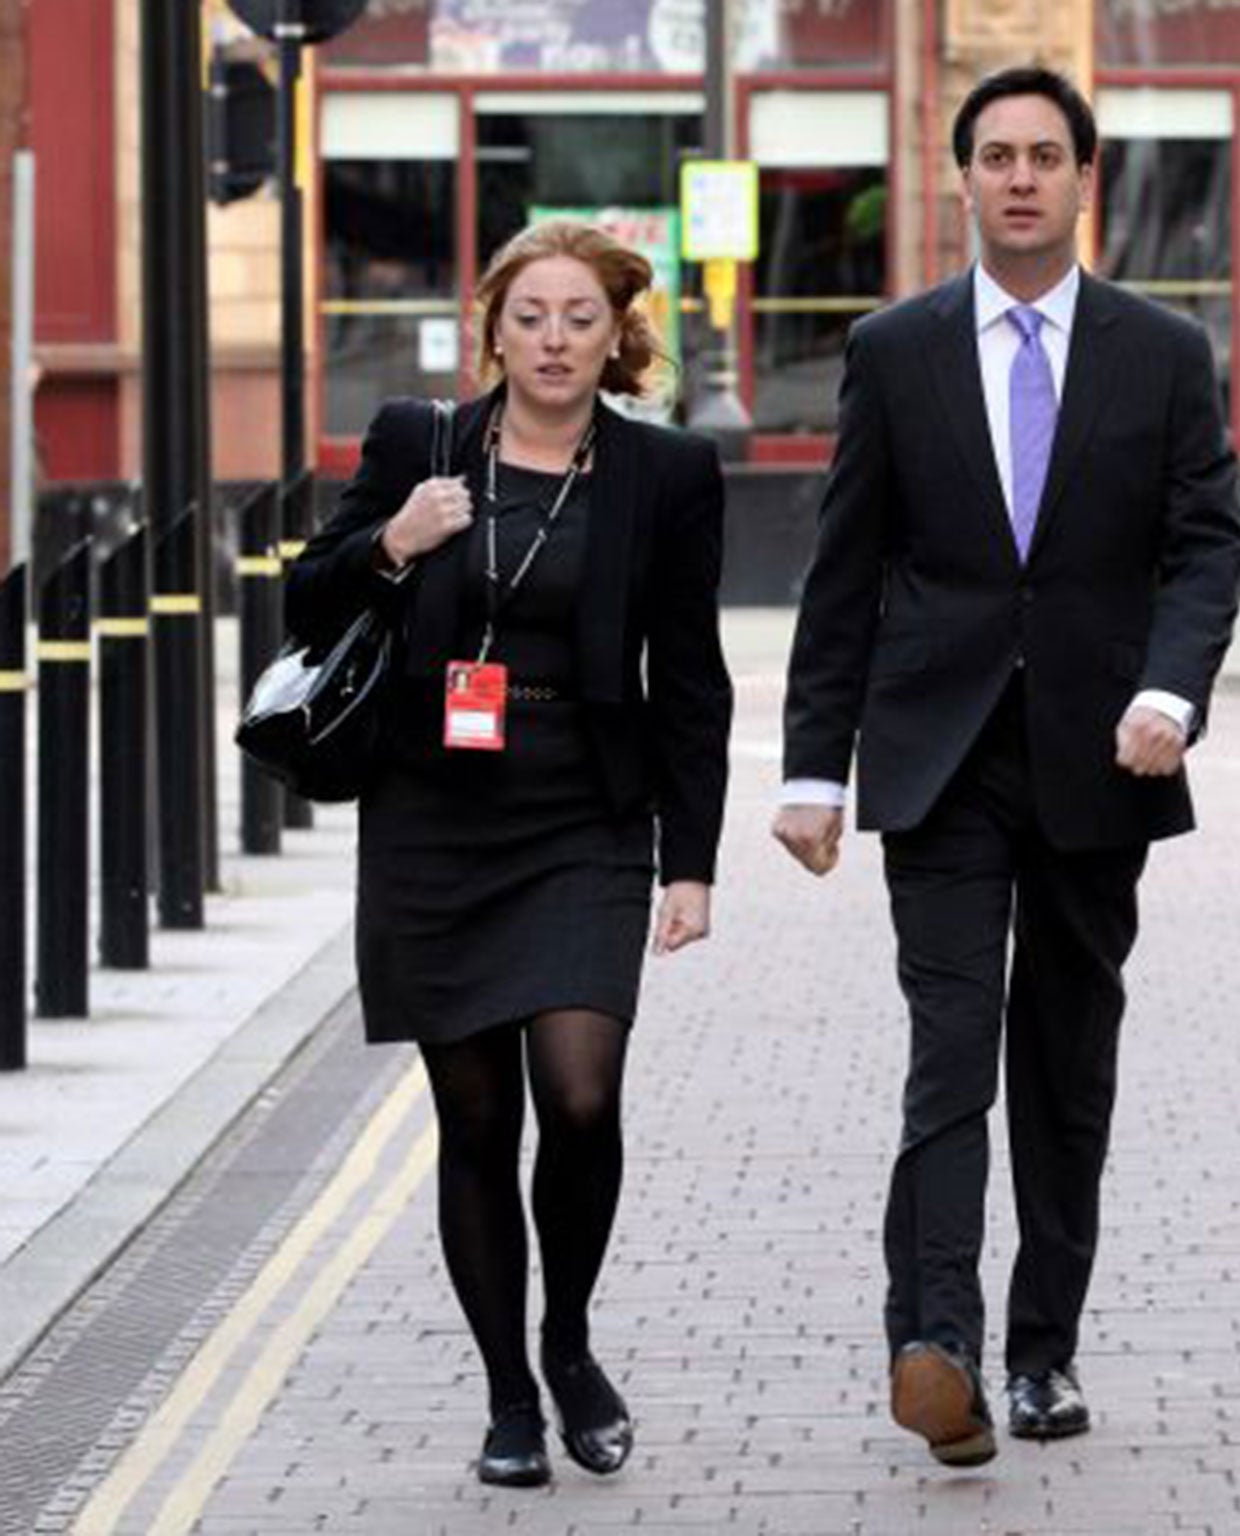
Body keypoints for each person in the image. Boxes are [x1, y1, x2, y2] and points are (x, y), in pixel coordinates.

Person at [774, 66, 1240, 1468]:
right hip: (939, 760)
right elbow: (843, 570)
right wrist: (814, 768)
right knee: (946, 1054)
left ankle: (1041, 1354)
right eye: (997, 155)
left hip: (1104, 755)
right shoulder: (893, 348)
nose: (1022, 176)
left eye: (1046, 154)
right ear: (963, 179)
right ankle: (935, 1346)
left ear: (1082, 177)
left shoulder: (1160, 352)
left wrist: (1173, 687)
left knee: (1063, 1067)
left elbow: (1206, 545)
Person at [285, 219, 732, 1488]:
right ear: (493, 325)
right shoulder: (412, 447)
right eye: (531, 315)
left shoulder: (667, 475)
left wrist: (687, 862)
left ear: (616, 336)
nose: (553, 339)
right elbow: (303, 601)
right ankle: (508, 1398)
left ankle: (571, 1338)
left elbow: (691, 682)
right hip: (433, 817)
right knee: (475, 1119)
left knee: (581, 1096)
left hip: (585, 817)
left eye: (579, 318)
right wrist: (392, 542)